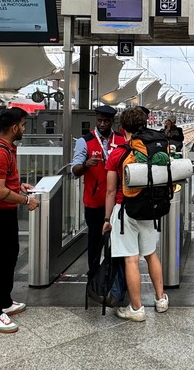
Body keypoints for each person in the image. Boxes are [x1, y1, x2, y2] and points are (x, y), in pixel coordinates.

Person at [103, 107, 168, 322]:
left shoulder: (118, 152)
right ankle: (161, 300)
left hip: (125, 211)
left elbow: (111, 190)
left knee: (131, 259)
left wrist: (106, 219)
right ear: (146, 122)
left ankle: (137, 308)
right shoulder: (153, 148)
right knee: (151, 254)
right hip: (150, 208)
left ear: (122, 128)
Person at [0, 107, 39, 333]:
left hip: (5, 211)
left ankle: (4, 301)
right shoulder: (0, 152)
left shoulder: (8, 148)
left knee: (9, 256)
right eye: (23, 125)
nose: (24, 128)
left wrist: (18, 186)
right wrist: (25, 200)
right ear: (14, 127)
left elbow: (4, 184)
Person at [71, 105, 126, 283]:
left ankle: (115, 274)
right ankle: (93, 274)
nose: (102, 124)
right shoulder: (85, 141)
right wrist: (86, 164)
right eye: (100, 120)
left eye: (106, 121)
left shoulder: (120, 139)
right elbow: (75, 170)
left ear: (112, 121)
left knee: (118, 240)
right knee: (94, 240)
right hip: (94, 201)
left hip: (117, 199)